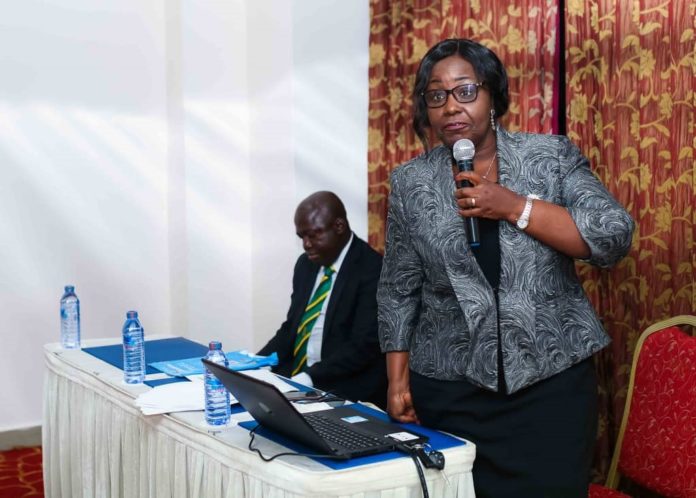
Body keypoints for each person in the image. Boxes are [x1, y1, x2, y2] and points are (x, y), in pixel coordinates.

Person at [377, 38, 634, 497]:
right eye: (436, 96)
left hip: (549, 386)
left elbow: (613, 236)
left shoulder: (550, 157)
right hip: (451, 391)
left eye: (465, 91)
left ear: (493, 95)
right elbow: (398, 289)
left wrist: (514, 206)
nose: (451, 107)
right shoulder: (410, 183)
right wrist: (397, 381)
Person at [258, 191, 387, 408]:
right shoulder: (306, 264)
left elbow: (363, 346)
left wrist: (307, 378)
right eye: (301, 237)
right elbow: (292, 329)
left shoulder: (373, 269)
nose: (306, 244)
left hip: (343, 386)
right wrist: (256, 364)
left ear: (339, 226)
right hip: (298, 378)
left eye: (313, 235)